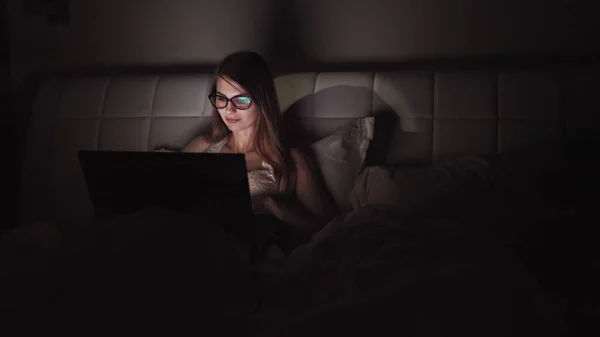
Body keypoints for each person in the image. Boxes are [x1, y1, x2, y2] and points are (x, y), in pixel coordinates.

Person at [183, 50, 338, 251]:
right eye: (221, 98)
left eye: (241, 100)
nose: (229, 110)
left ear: (262, 100)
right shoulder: (201, 146)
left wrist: (280, 212)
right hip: (195, 242)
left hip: (249, 252)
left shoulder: (290, 161)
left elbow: (332, 227)